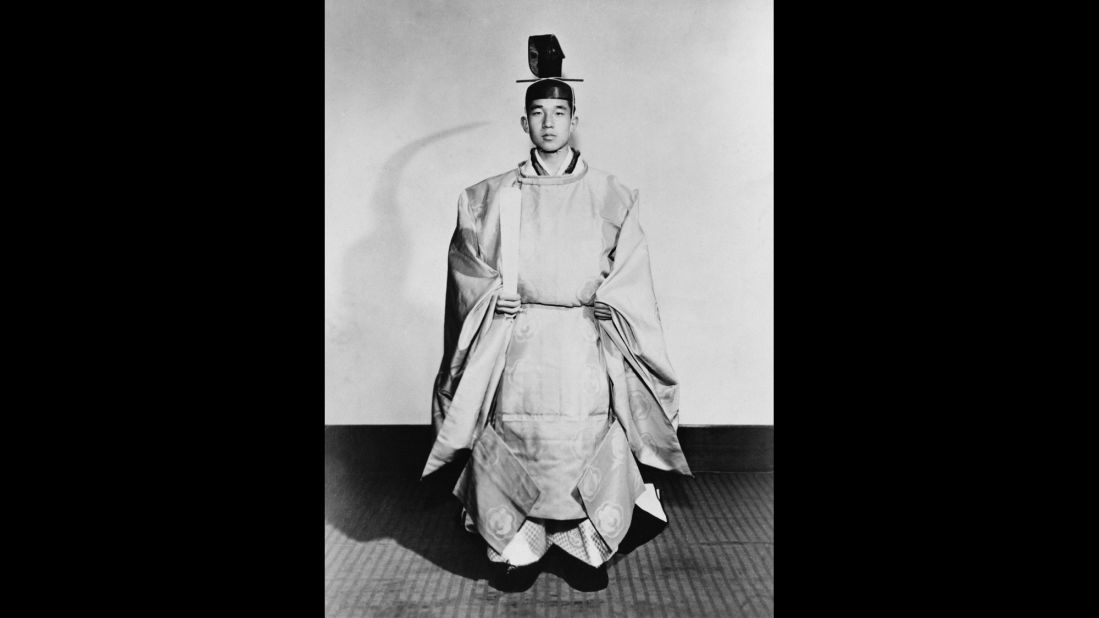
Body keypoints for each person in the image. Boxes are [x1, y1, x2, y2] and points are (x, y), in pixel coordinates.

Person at [422, 34, 691, 591]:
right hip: (516, 340)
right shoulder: (490, 197)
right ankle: (519, 549)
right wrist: (491, 293)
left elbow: (631, 275)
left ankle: (582, 549)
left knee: (585, 444)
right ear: (524, 124)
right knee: (515, 443)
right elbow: (466, 266)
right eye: (537, 113)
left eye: (559, 112)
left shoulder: (612, 196)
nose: (548, 123)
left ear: (575, 120)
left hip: (581, 340)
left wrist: (608, 303)